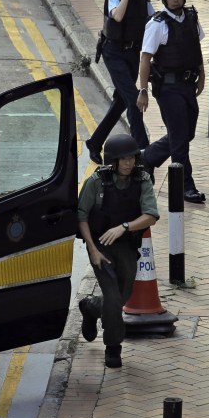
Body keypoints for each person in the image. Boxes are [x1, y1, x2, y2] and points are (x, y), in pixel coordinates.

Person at [76, 134, 159, 368]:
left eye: (131, 158)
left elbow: (151, 215)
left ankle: (90, 307)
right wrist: (92, 250)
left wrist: (124, 228)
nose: (128, 163)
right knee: (113, 296)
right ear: (113, 161)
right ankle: (113, 348)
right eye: (123, 159)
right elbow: (81, 216)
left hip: (126, 245)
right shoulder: (96, 182)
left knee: (122, 296)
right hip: (101, 246)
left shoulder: (142, 180)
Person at [135, 0, 206, 203]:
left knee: (187, 133)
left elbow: (196, 48)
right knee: (180, 140)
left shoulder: (192, 18)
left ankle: (148, 156)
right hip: (167, 88)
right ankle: (185, 186)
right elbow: (145, 58)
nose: (175, 0)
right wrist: (143, 90)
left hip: (187, 84)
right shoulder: (157, 24)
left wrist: (202, 75)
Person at [84, 0, 155, 164]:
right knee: (134, 99)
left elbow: (153, 20)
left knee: (122, 102)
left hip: (133, 53)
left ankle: (95, 142)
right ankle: (142, 150)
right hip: (114, 53)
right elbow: (118, 17)